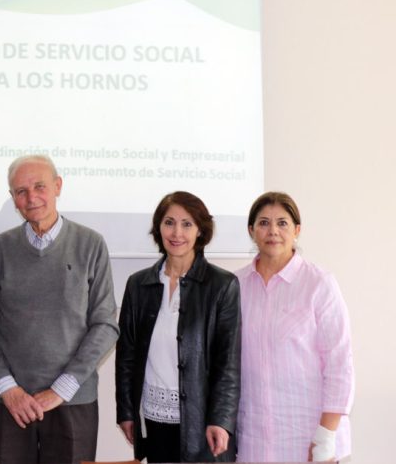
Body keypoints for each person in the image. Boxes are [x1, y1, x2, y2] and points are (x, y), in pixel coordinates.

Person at [0, 155, 119, 464]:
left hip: (73, 401)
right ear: (13, 198)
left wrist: (61, 389)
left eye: (39, 186)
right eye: (21, 191)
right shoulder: (0, 248)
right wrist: (8, 389)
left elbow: (105, 325)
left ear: (58, 186)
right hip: (11, 403)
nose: (31, 197)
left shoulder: (91, 244)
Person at [115, 191, 241, 463]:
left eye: (187, 224)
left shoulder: (222, 285)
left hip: (202, 421)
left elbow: (228, 363)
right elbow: (126, 355)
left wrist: (220, 419)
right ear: (158, 228)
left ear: (200, 231)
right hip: (154, 416)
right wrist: (126, 411)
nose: (177, 232)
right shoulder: (138, 285)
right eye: (169, 222)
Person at [235, 192, 354, 462]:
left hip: (308, 436)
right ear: (251, 230)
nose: (273, 231)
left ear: (297, 230)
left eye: (283, 223)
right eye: (264, 223)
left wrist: (326, 435)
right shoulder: (235, 286)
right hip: (252, 437)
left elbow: (340, 363)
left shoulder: (319, 284)